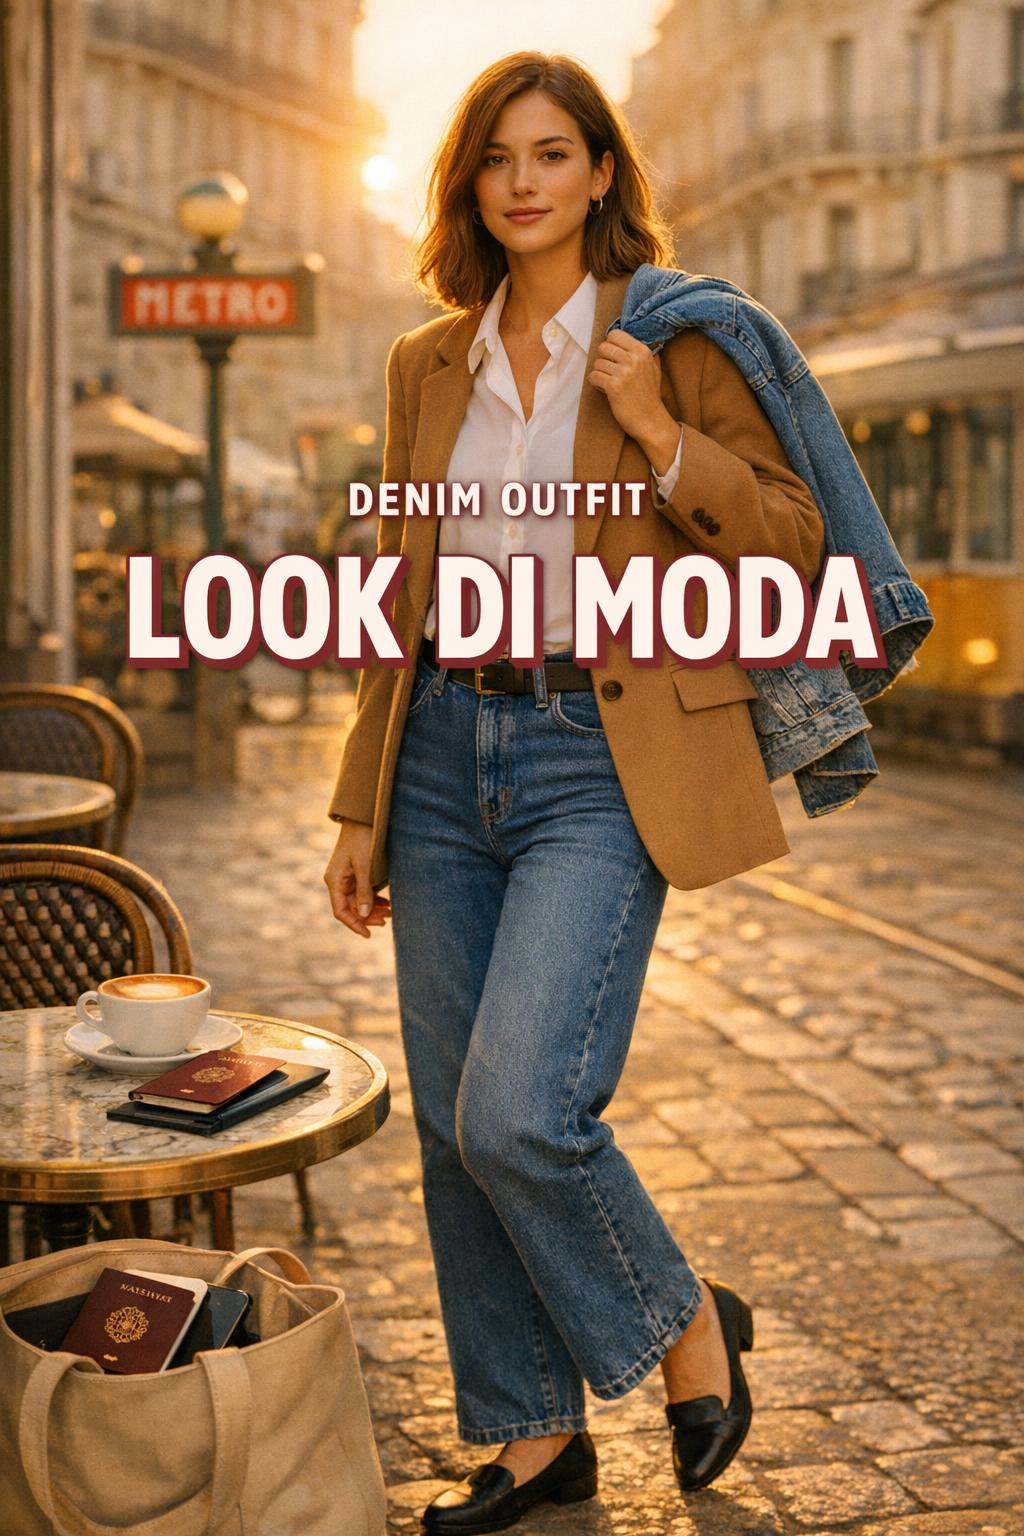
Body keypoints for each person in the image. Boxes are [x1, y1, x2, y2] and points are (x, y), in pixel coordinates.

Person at [324, 52, 824, 1531]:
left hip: (600, 756)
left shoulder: (676, 339)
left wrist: (662, 435)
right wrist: (358, 802)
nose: (525, 181)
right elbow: (401, 595)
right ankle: (532, 1441)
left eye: (553, 152)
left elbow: (791, 542)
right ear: (469, 184)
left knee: (520, 1111)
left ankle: (688, 1325)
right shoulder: (428, 364)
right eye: (498, 157)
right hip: (438, 750)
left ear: (603, 172)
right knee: (448, 1128)